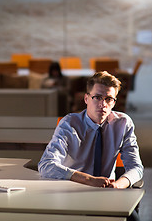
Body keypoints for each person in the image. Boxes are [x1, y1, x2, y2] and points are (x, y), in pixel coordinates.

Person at [38, 71, 143, 220]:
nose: (103, 104)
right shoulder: (69, 124)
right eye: (97, 97)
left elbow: (136, 168)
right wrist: (88, 180)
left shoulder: (123, 123)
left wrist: (118, 185)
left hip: (108, 194)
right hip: (72, 194)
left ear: (114, 102)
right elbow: (46, 165)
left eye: (109, 99)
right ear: (86, 98)